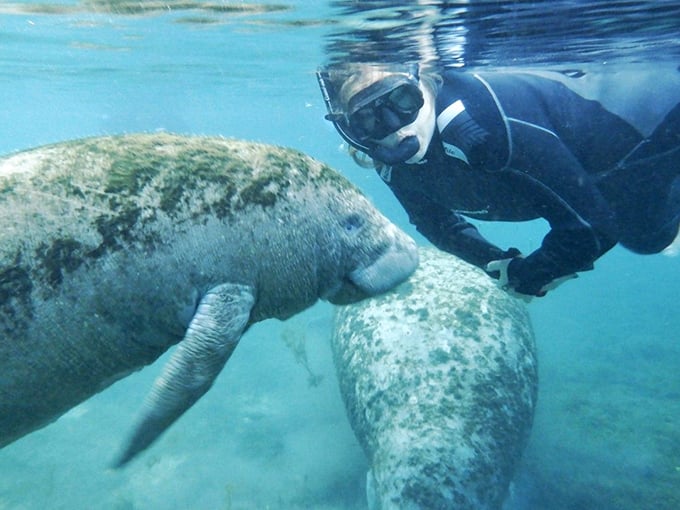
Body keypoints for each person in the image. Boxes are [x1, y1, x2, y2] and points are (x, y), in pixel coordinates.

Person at [316, 63, 680, 298]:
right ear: (353, 133)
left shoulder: (489, 125)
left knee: (648, 238)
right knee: (647, 237)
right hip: (610, 171)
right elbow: (434, 222)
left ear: (423, 85)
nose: (396, 129)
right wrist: (496, 263)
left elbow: (590, 229)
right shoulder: (392, 164)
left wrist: (530, 274)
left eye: (402, 101)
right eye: (368, 121)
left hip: (655, 124)